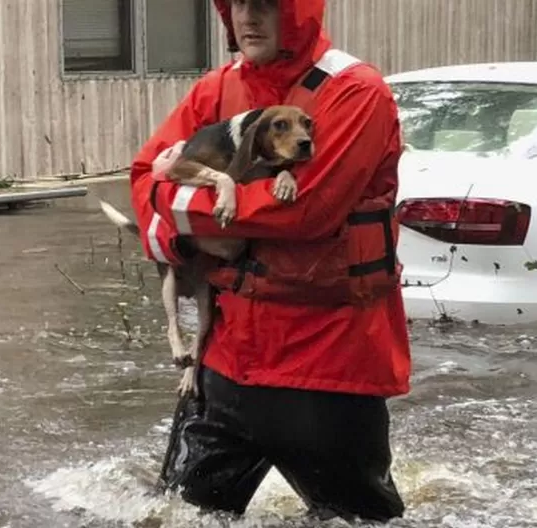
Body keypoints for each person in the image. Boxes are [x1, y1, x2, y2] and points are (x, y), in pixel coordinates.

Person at [128, 0, 412, 522]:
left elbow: (303, 211)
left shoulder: (356, 92)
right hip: (224, 364)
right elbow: (145, 177)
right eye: (237, 4)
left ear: (299, 12)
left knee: (359, 520)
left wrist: (178, 210)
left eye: (266, 5)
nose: (248, 19)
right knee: (171, 516)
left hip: (327, 369)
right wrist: (180, 219)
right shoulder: (215, 89)